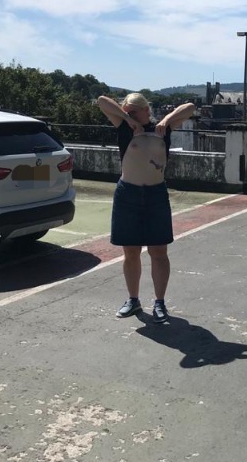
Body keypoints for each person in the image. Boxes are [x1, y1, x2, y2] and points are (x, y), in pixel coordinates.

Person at [97, 93, 196, 323]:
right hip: (127, 195)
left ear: (146, 111)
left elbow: (190, 106)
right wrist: (127, 118)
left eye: (133, 112)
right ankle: (133, 300)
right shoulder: (124, 126)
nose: (129, 115)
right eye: (126, 111)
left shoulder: (163, 129)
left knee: (158, 252)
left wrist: (167, 119)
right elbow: (102, 101)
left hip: (155, 195)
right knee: (130, 252)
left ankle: (159, 303)